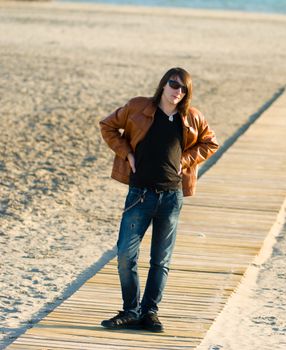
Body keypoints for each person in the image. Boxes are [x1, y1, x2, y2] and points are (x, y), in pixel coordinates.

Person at [99, 67, 219, 332]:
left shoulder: (191, 117)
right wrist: (126, 152)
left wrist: (185, 160)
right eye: (173, 84)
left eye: (183, 88)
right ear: (163, 85)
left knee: (160, 260)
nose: (177, 91)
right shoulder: (138, 107)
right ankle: (130, 311)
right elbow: (108, 126)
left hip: (171, 197)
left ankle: (150, 312)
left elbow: (210, 143)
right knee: (125, 255)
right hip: (139, 195)